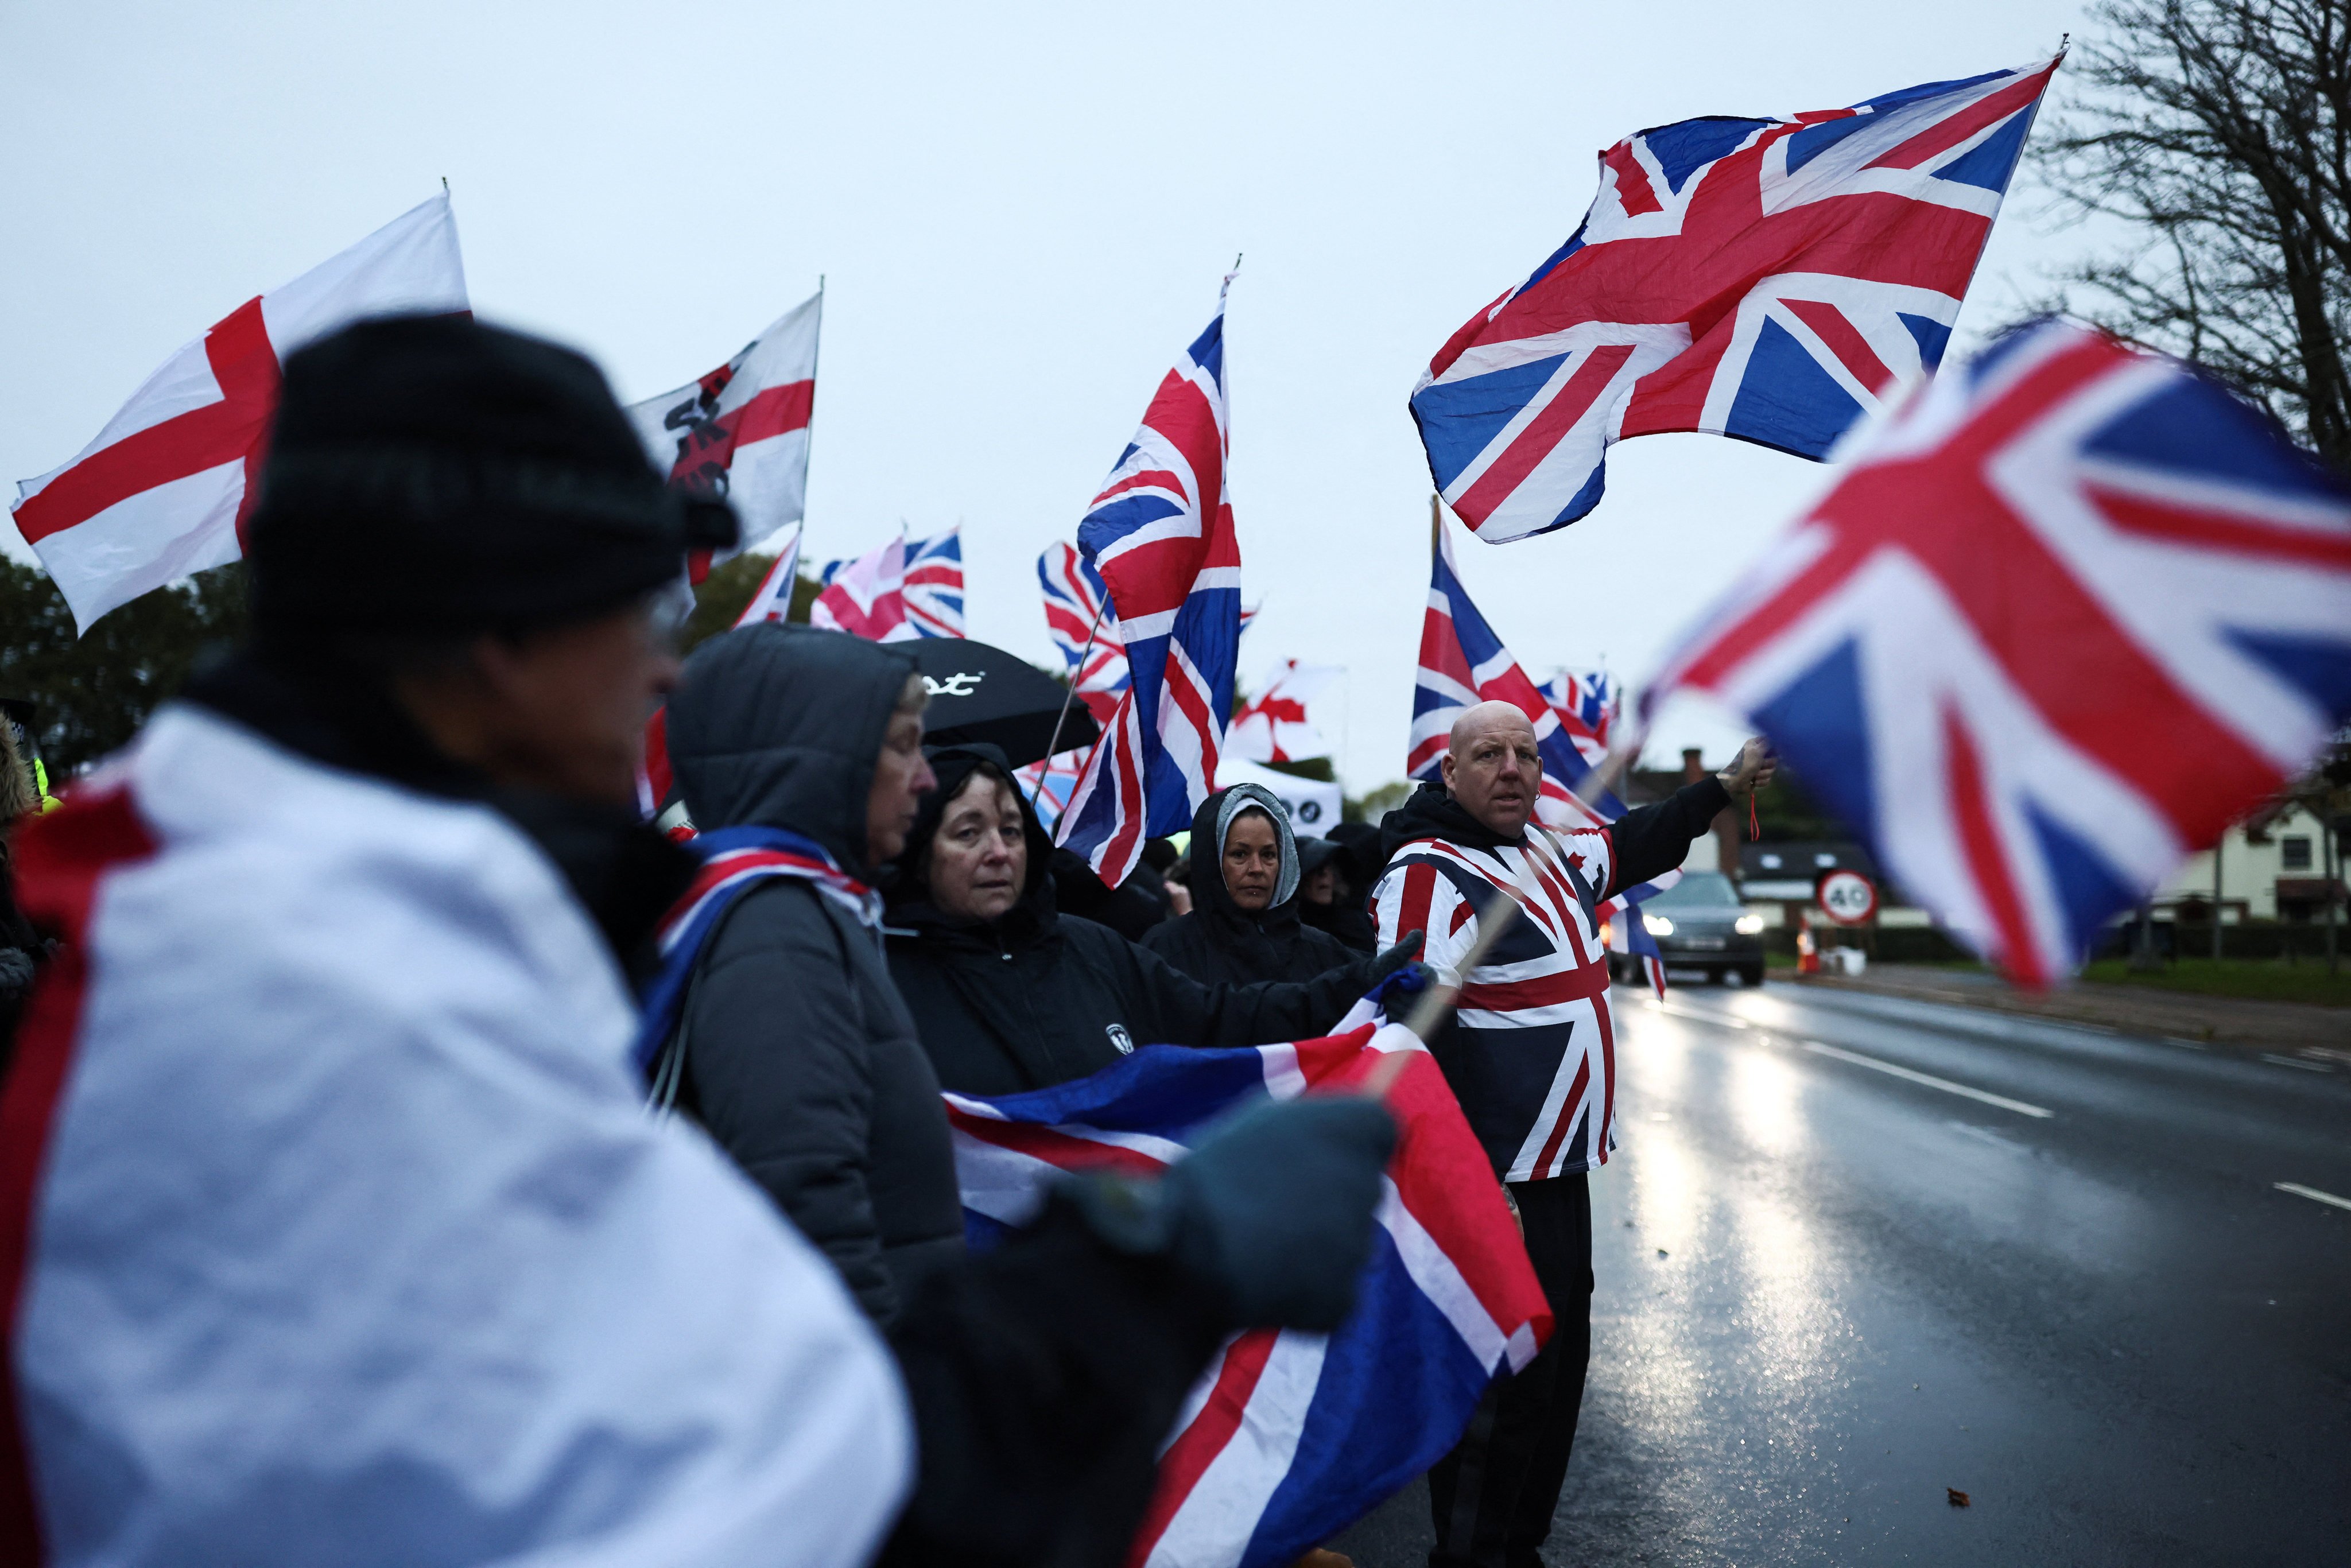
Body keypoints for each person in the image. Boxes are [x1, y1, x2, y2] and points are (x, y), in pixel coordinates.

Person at [0, 314, 1398, 1568]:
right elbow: (736, 1496)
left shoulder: (340, 928)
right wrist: (1149, 1273)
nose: (669, 666)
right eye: (630, 607)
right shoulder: (323, 1001)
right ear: (499, 638)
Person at [1372, 701, 1774, 1568]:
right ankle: (1473, 1556)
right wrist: (1465, 1181)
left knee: (1552, 1385)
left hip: (1558, 1177)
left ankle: (1518, 1549)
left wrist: (1722, 788)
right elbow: (1407, 1033)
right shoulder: (1428, 873)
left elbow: (1636, 842)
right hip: (1495, 1186)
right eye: (1488, 754)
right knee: (1499, 1394)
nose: (1513, 768)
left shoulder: (1548, 854)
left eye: (1525, 752)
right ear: (1450, 774)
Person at [653, 623, 959, 1328]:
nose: (927, 776)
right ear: (827, 758)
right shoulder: (777, 924)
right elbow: (806, 1203)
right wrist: (902, 1393)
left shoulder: (791, 906)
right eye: (903, 744)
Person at [882, 744, 1423, 1097]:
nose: (999, 852)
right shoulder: (877, 978)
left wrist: (1358, 984)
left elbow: (1221, 1017)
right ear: (921, 849)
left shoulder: (1090, 950)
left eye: (1012, 829)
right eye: (968, 832)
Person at [1142, 783, 1360, 986]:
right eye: (1240, 854)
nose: (1257, 868)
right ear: (1212, 861)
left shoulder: (1324, 953)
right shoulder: (1166, 951)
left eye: (1268, 855)